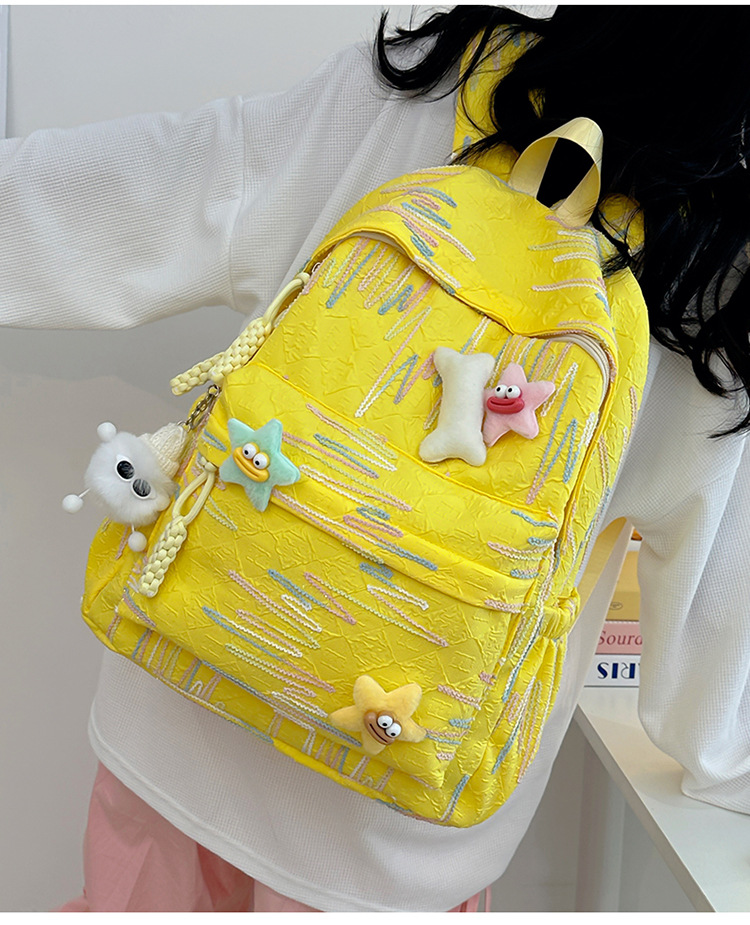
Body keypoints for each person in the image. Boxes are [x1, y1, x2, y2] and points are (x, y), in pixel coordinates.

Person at [3, 4, 750, 913]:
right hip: (384, 833)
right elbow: (714, 700)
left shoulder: (435, 87)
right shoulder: (714, 281)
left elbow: (138, 190)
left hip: (176, 698)